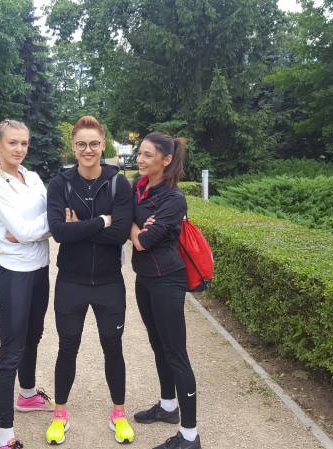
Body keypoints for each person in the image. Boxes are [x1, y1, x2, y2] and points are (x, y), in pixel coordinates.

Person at [45, 115, 136, 445]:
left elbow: (120, 234)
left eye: (94, 144)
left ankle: (119, 414)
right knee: (67, 347)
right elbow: (59, 232)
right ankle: (60, 415)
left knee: (113, 346)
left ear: (103, 145)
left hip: (109, 282)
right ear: (73, 146)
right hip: (71, 281)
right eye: (81, 144)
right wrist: (101, 221)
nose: (88, 150)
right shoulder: (60, 184)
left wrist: (79, 227)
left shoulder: (118, 183)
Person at [0, 119, 53, 449]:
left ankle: (27, 394)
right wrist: (38, 229)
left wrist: (32, 229)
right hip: (14, 275)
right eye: (13, 142)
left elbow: (50, 216)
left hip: (40, 269)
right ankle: (4, 434)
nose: (20, 149)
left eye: (24, 143)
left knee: (34, 336)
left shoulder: (33, 177)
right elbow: (24, 232)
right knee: (11, 350)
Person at [130, 132, 202, 449]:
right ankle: (168, 406)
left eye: (148, 155)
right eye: (140, 153)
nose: (140, 159)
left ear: (166, 159)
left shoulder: (173, 199)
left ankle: (190, 436)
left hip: (167, 280)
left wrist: (131, 228)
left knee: (176, 353)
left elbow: (143, 241)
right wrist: (134, 225)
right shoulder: (139, 186)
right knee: (158, 344)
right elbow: (128, 222)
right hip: (144, 279)